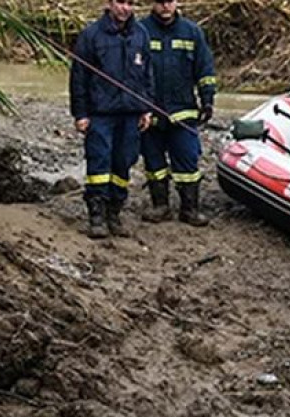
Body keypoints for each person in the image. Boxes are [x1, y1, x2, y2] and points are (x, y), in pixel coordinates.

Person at [69, 0, 154, 239]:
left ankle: (114, 213)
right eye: (120, 2)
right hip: (100, 114)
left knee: (123, 163)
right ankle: (96, 216)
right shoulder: (91, 35)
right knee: (99, 162)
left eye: (130, 3)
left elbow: (148, 75)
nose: (125, 8)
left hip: (131, 113)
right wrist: (81, 114)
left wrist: (146, 108)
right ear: (109, 3)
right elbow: (78, 77)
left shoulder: (141, 34)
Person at [139, 0, 216, 226]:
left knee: (188, 160)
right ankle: (160, 205)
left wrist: (208, 100)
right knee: (154, 162)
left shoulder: (192, 32)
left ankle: (190, 209)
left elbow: (205, 69)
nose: (165, 6)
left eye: (169, 1)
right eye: (160, 2)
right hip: (149, 112)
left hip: (183, 111)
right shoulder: (140, 31)